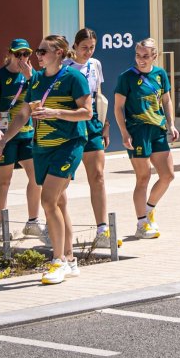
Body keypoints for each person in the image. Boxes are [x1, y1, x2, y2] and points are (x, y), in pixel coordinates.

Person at [0, 34, 92, 285]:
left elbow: (87, 113)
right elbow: (23, 115)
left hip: (68, 145)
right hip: (41, 148)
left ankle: (57, 261)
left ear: (59, 53)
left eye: (42, 51)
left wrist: (55, 112)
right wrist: (4, 140)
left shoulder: (74, 78)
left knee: (47, 200)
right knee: (59, 203)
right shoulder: (36, 81)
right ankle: (70, 259)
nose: (37, 56)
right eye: (37, 52)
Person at [113, 39, 178, 240]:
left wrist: (171, 124)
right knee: (143, 178)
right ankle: (141, 223)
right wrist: (124, 132)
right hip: (137, 131)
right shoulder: (126, 78)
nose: (141, 60)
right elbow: (117, 107)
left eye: (145, 56)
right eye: (138, 55)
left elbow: (166, 100)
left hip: (157, 130)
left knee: (168, 175)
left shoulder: (160, 75)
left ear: (154, 56)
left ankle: (149, 209)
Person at [0, 38, 45, 241]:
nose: (22, 58)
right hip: (4, 136)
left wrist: (31, 77)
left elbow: (42, 98)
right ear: (10, 54)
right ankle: (0, 226)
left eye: (26, 54)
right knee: (4, 181)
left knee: (36, 177)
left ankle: (33, 221)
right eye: (18, 54)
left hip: (27, 135)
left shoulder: (33, 76)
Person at [71, 29, 115, 252]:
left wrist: (105, 125)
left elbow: (99, 95)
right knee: (61, 181)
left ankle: (102, 229)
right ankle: (57, 228)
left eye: (92, 48)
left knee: (97, 176)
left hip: (93, 124)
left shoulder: (95, 64)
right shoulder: (66, 67)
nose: (88, 52)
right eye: (84, 47)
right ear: (75, 47)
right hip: (70, 125)